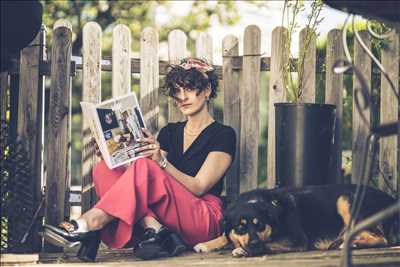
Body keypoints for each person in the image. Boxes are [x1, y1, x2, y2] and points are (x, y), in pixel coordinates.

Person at [42, 57, 236, 261]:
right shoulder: (170, 132)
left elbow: (198, 186)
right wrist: (116, 155)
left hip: (203, 218)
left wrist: (160, 161)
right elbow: (150, 184)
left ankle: (91, 223)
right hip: (169, 216)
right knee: (104, 169)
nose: (181, 97)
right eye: (177, 91)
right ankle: (155, 229)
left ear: (206, 90)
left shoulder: (223, 134)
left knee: (146, 166)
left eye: (188, 89)